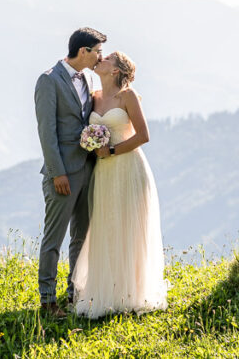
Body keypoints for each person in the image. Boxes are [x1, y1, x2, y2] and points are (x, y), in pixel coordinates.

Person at [71, 51, 168, 318]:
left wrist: (111, 151)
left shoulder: (128, 96)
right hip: (103, 173)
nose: (100, 59)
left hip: (128, 168)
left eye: (107, 58)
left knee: (128, 228)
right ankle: (106, 292)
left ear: (115, 71)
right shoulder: (94, 97)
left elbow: (143, 136)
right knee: (105, 226)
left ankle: (130, 294)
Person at [35, 27, 106, 318]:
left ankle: (74, 294)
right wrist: (56, 173)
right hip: (63, 173)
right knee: (54, 238)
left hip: (89, 168)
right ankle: (47, 300)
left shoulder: (90, 78)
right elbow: (46, 132)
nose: (100, 57)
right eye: (97, 51)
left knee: (80, 237)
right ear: (83, 51)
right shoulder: (48, 80)